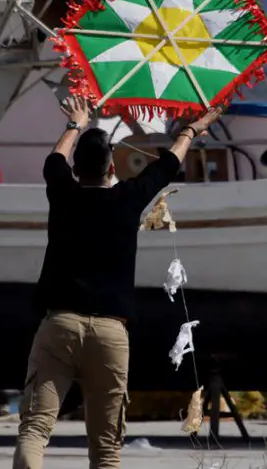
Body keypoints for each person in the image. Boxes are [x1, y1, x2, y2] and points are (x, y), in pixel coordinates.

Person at [12, 94, 223, 469]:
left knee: (35, 431)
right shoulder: (128, 198)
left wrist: (76, 123)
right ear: (112, 168)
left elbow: (54, 160)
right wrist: (191, 129)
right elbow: (167, 166)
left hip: (60, 325)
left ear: (76, 170)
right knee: (107, 448)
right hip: (111, 333)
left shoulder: (62, 193)